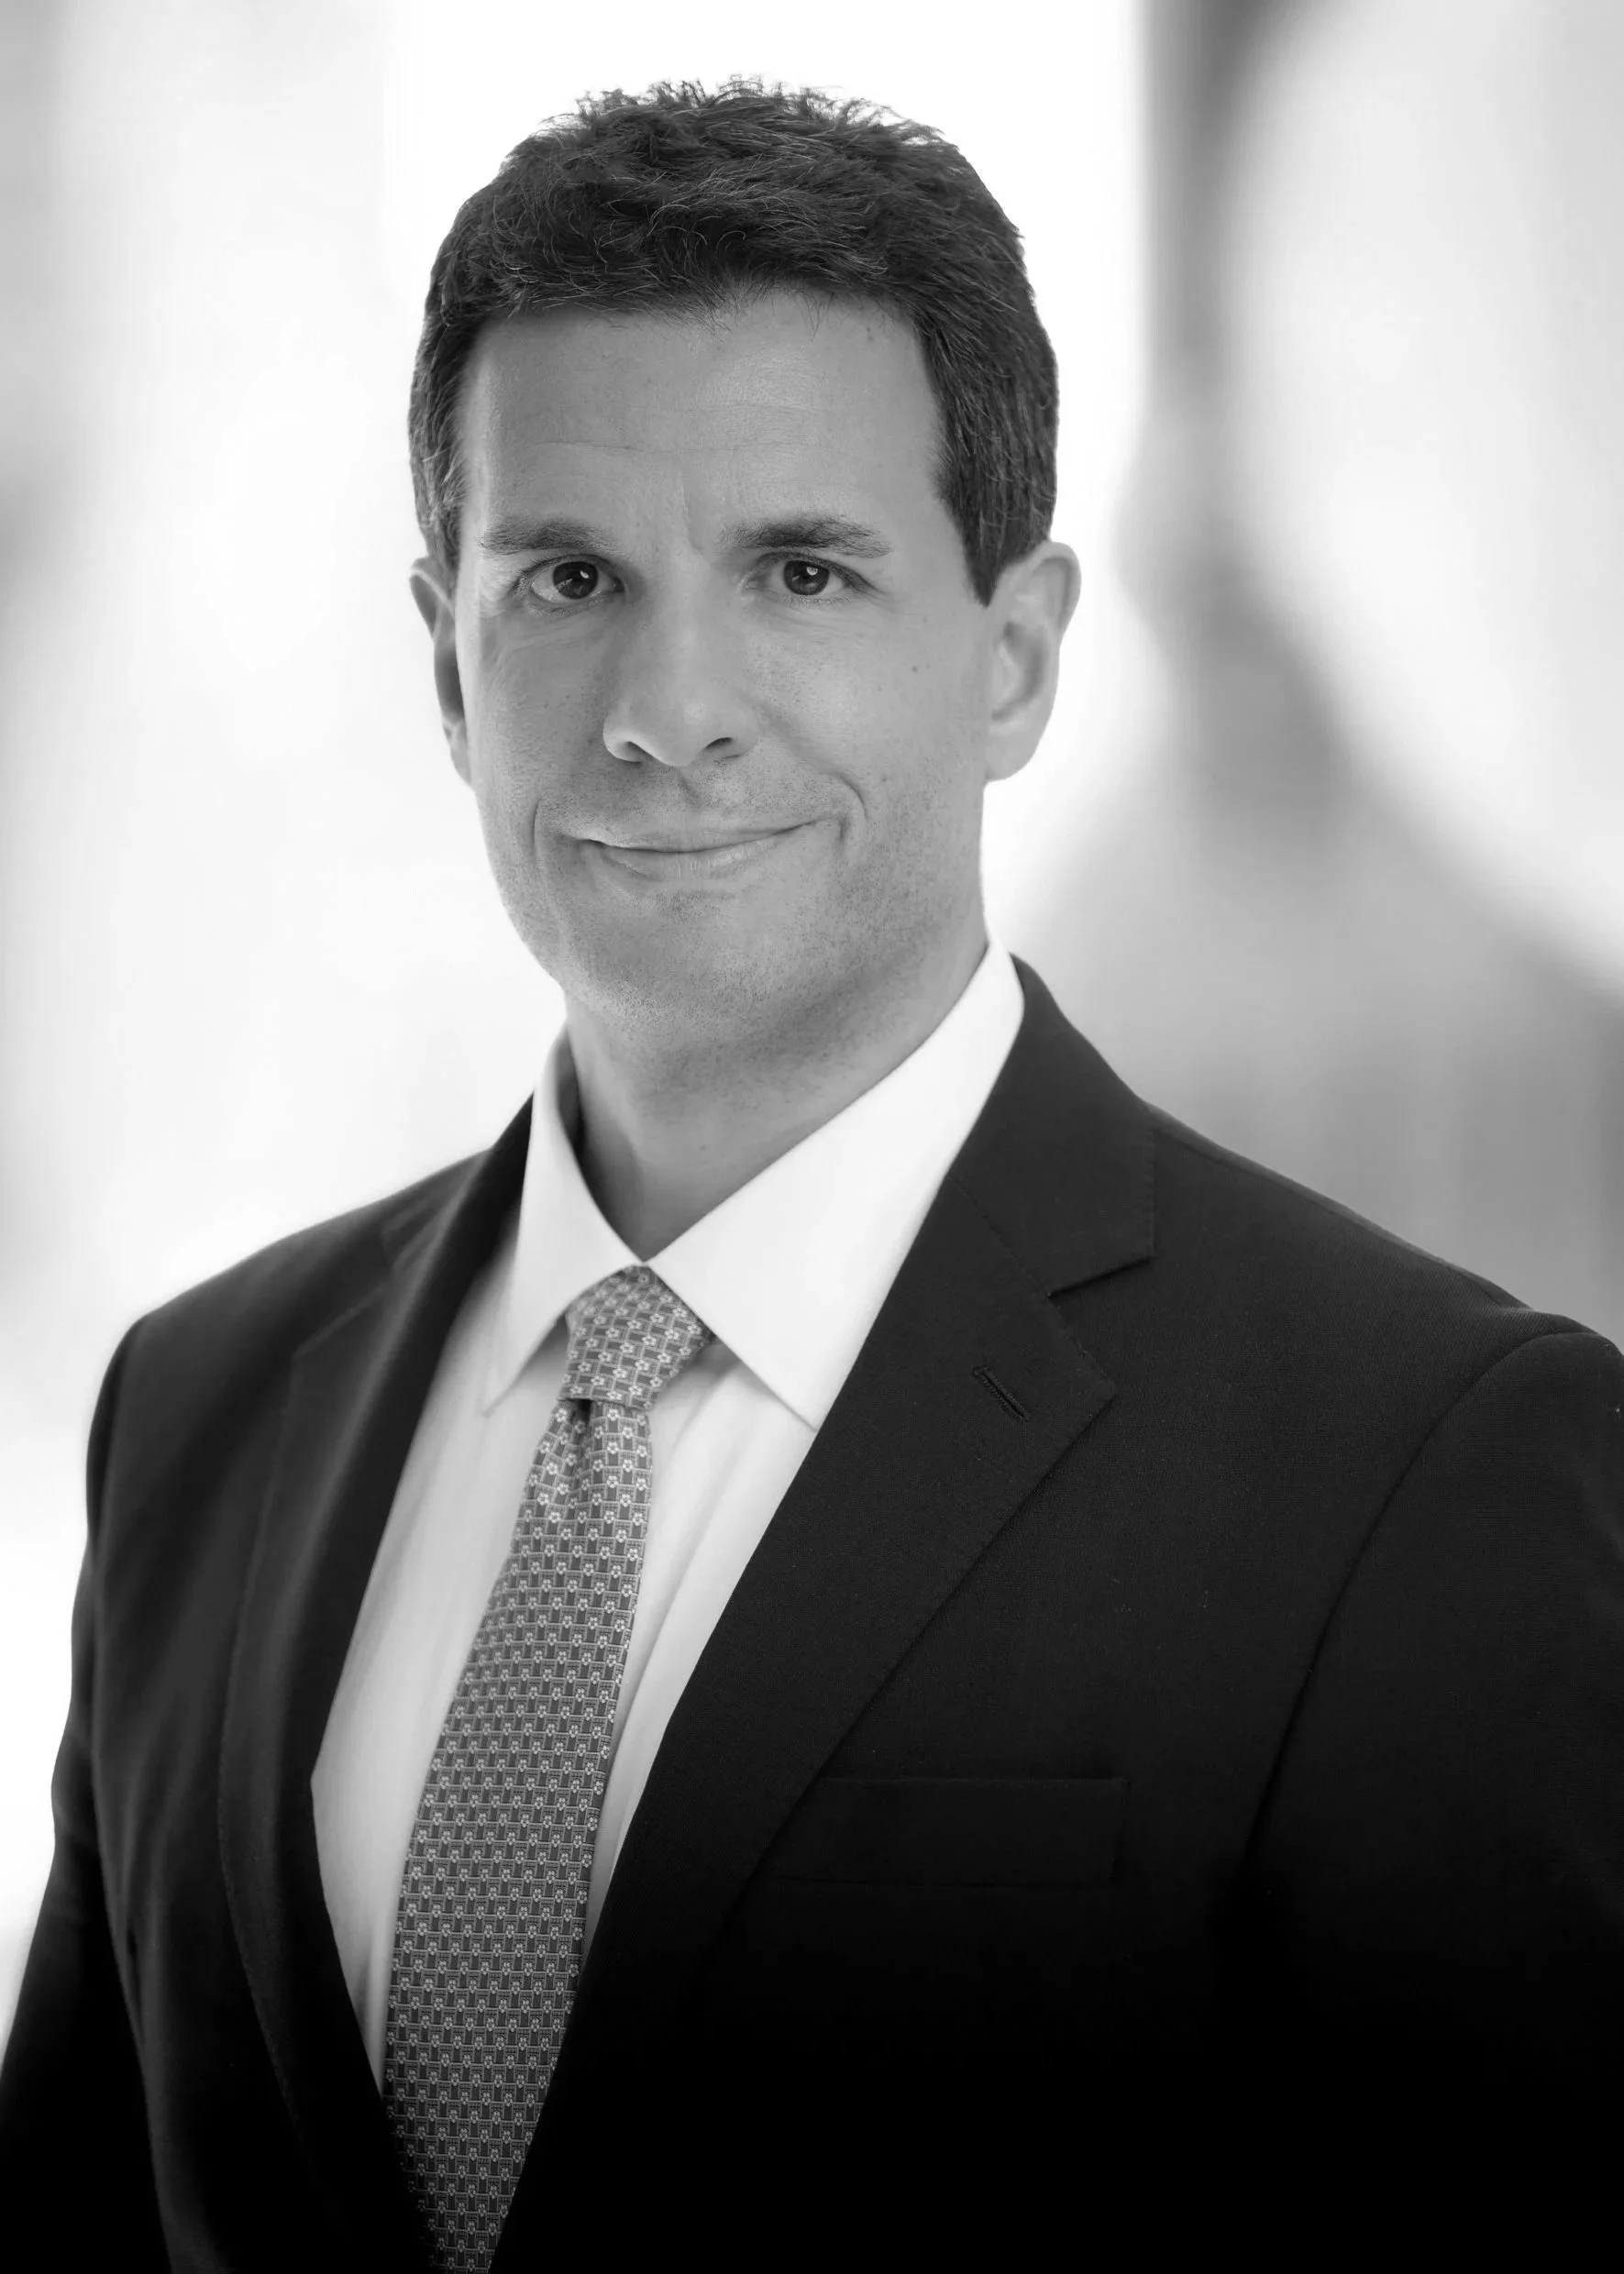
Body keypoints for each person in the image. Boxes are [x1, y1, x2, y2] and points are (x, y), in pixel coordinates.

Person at [2, 78, 1621, 2269]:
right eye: (570, 578)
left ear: (1016, 657)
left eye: (801, 572)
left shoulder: (1427, 1469)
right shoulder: (199, 1415)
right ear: (448, 665)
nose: (670, 708)